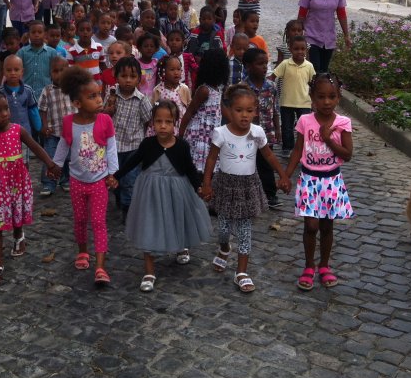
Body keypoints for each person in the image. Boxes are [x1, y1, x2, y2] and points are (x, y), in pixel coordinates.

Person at [200, 84, 288, 293]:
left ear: (255, 111)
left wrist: (283, 174)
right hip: (225, 185)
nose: (244, 116)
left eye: (249, 111)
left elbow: (268, 155)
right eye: (239, 110)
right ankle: (224, 248)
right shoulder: (220, 133)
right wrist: (207, 183)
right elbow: (211, 159)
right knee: (223, 229)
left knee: (245, 230)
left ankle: (242, 272)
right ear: (229, 110)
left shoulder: (257, 132)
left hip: (248, 186)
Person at [116, 100, 212, 292]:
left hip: (177, 188)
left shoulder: (182, 146)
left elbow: (190, 169)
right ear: (152, 122)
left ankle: (182, 245)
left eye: (168, 121)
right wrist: (116, 177)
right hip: (150, 191)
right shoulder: (147, 144)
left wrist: (199, 187)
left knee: (178, 217)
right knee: (149, 224)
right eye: (158, 121)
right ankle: (149, 271)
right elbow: (133, 162)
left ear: (175, 122)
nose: (163, 125)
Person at [0, 89, 59, 286]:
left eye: (6, 109)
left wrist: (50, 164)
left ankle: (19, 235)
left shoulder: (17, 130)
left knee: (15, 212)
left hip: (15, 183)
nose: (4, 114)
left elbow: (36, 147)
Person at [283, 73, 354, 291]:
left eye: (331, 97)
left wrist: (327, 139)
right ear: (312, 97)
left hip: (331, 180)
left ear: (338, 98)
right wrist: (286, 175)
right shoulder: (305, 121)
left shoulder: (343, 123)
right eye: (321, 97)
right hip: (309, 178)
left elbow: (348, 154)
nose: (326, 102)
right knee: (310, 225)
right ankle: (308, 266)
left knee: (326, 225)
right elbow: (297, 150)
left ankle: (324, 265)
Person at [53, 67, 119, 286]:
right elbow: (64, 145)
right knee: (80, 220)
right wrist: (55, 165)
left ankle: (100, 266)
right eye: (92, 96)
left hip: (99, 181)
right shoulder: (69, 123)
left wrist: (112, 173)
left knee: (99, 222)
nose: (99, 99)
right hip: (77, 181)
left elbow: (111, 148)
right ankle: (83, 251)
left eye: (99, 94)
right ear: (77, 103)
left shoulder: (105, 121)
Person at [103, 56, 153, 221]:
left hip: (134, 147)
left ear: (139, 79)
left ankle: (127, 208)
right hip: (114, 146)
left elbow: (147, 121)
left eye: (132, 76)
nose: (128, 80)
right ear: (116, 77)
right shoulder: (111, 95)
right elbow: (102, 117)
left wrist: (142, 142)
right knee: (115, 177)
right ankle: (118, 196)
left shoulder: (142, 100)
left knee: (130, 179)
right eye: (124, 76)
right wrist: (107, 111)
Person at [244, 48, 284, 210]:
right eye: (259, 64)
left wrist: (278, 129)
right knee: (248, 164)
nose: (264, 67)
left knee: (266, 163)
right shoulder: (243, 87)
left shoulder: (271, 86)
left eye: (265, 63)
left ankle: (270, 194)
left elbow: (275, 109)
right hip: (247, 134)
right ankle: (247, 194)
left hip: (267, 133)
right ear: (248, 66)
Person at [179, 48, 229, 175]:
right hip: (200, 135)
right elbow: (189, 113)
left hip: (212, 134)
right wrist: (180, 136)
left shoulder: (218, 89)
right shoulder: (204, 90)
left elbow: (222, 108)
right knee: (199, 168)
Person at [298, 0, 351, 73]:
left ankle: (319, 90)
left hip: (329, 38)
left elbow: (341, 14)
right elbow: (302, 14)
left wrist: (347, 35)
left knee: (324, 70)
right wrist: (298, 34)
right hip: (311, 36)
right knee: (314, 68)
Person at [38, 57, 74, 197]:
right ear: (50, 73)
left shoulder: (73, 89)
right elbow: (43, 109)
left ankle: (65, 180)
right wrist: (44, 126)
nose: (59, 74)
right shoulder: (47, 91)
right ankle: (48, 183)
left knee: (68, 158)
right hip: (53, 132)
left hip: (70, 133)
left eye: (62, 70)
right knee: (51, 158)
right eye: (55, 71)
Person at [274, 35, 315, 158]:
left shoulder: (309, 66)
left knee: (304, 128)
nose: (300, 52)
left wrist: (315, 101)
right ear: (290, 49)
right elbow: (273, 76)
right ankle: (287, 147)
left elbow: (313, 83)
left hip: (304, 102)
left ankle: (303, 148)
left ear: (306, 50)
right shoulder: (285, 64)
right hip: (287, 102)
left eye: (303, 49)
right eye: (296, 49)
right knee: (287, 127)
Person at [0, 55, 41, 139]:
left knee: (25, 152)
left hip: (26, 134)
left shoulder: (28, 90)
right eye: (9, 70)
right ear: (3, 72)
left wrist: (39, 128)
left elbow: (33, 111)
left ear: (22, 72)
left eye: (16, 70)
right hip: (6, 135)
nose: (13, 73)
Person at [148, 55, 191, 136]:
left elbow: (189, 107)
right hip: (164, 125)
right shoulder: (158, 90)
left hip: (180, 126)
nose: (176, 72)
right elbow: (154, 106)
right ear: (164, 71)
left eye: (178, 69)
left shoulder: (184, 89)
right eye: (172, 69)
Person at [17, 20, 59, 96]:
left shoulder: (52, 52)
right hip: (25, 94)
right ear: (28, 34)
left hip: (46, 95)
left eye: (40, 32)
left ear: (45, 34)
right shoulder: (22, 52)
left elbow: (55, 74)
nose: (36, 35)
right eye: (33, 32)